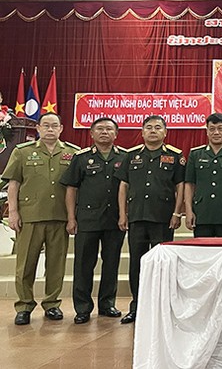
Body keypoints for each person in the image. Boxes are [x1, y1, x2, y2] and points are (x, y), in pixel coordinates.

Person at [2, 113, 79, 326]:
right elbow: (14, 184)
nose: (50, 129)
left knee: (56, 264)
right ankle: (24, 306)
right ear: (38, 128)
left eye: (54, 125)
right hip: (30, 217)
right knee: (25, 264)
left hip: (59, 216)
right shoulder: (23, 152)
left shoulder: (73, 153)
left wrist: (72, 217)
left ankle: (52, 304)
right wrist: (13, 212)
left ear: (61, 128)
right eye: (46, 125)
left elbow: (76, 186)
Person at [116, 115, 185, 324]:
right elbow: (123, 186)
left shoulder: (175, 156)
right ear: (142, 132)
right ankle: (137, 306)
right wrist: (122, 213)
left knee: (162, 264)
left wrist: (177, 213)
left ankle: (162, 306)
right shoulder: (131, 155)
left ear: (165, 132)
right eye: (148, 127)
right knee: (137, 263)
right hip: (137, 216)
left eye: (157, 127)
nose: (153, 131)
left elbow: (180, 186)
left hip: (163, 218)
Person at [60, 117, 127, 324]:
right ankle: (82, 308)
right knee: (83, 264)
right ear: (91, 133)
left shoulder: (125, 157)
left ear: (116, 134)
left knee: (111, 263)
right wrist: (71, 217)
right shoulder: (81, 158)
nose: (104, 132)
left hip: (114, 219)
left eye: (109, 129)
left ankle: (107, 304)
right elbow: (71, 189)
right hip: (87, 219)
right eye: (100, 129)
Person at [184, 113, 222, 238]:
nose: (216, 132)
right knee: (203, 249)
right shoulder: (195, 154)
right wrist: (189, 211)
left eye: (220, 128)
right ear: (207, 132)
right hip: (202, 214)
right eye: (212, 129)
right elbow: (189, 184)